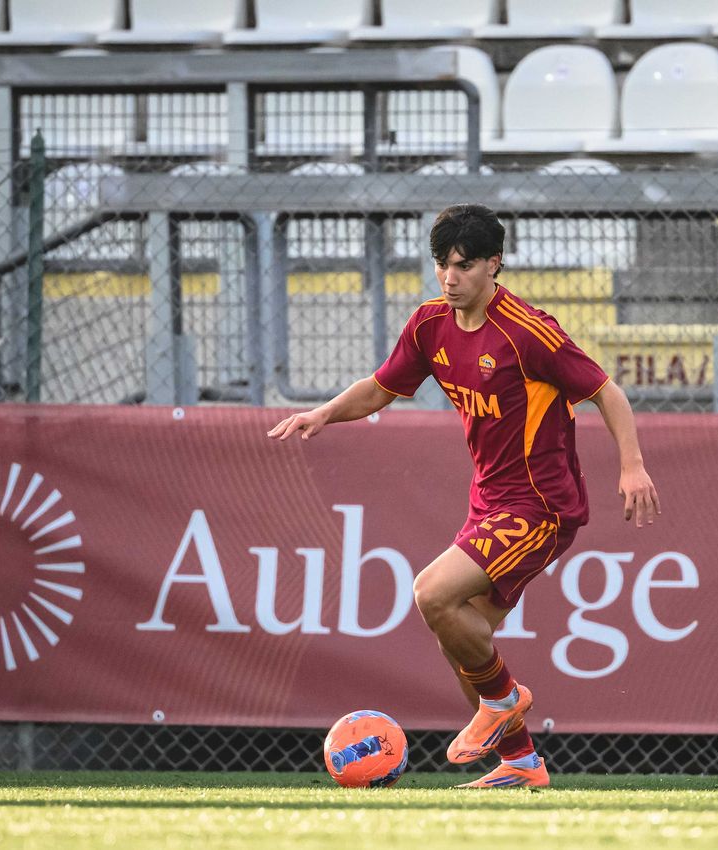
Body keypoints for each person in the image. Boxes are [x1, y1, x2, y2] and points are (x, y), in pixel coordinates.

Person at [269, 203, 660, 789]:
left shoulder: (527, 332)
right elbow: (381, 387)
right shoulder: (430, 325)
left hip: (540, 504)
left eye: (464, 266)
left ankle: (502, 702)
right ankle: (521, 763)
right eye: (441, 265)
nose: (449, 278)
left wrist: (632, 466)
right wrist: (324, 413)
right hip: (490, 502)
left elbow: (608, 392)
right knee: (461, 635)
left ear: (493, 264)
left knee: (431, 593)